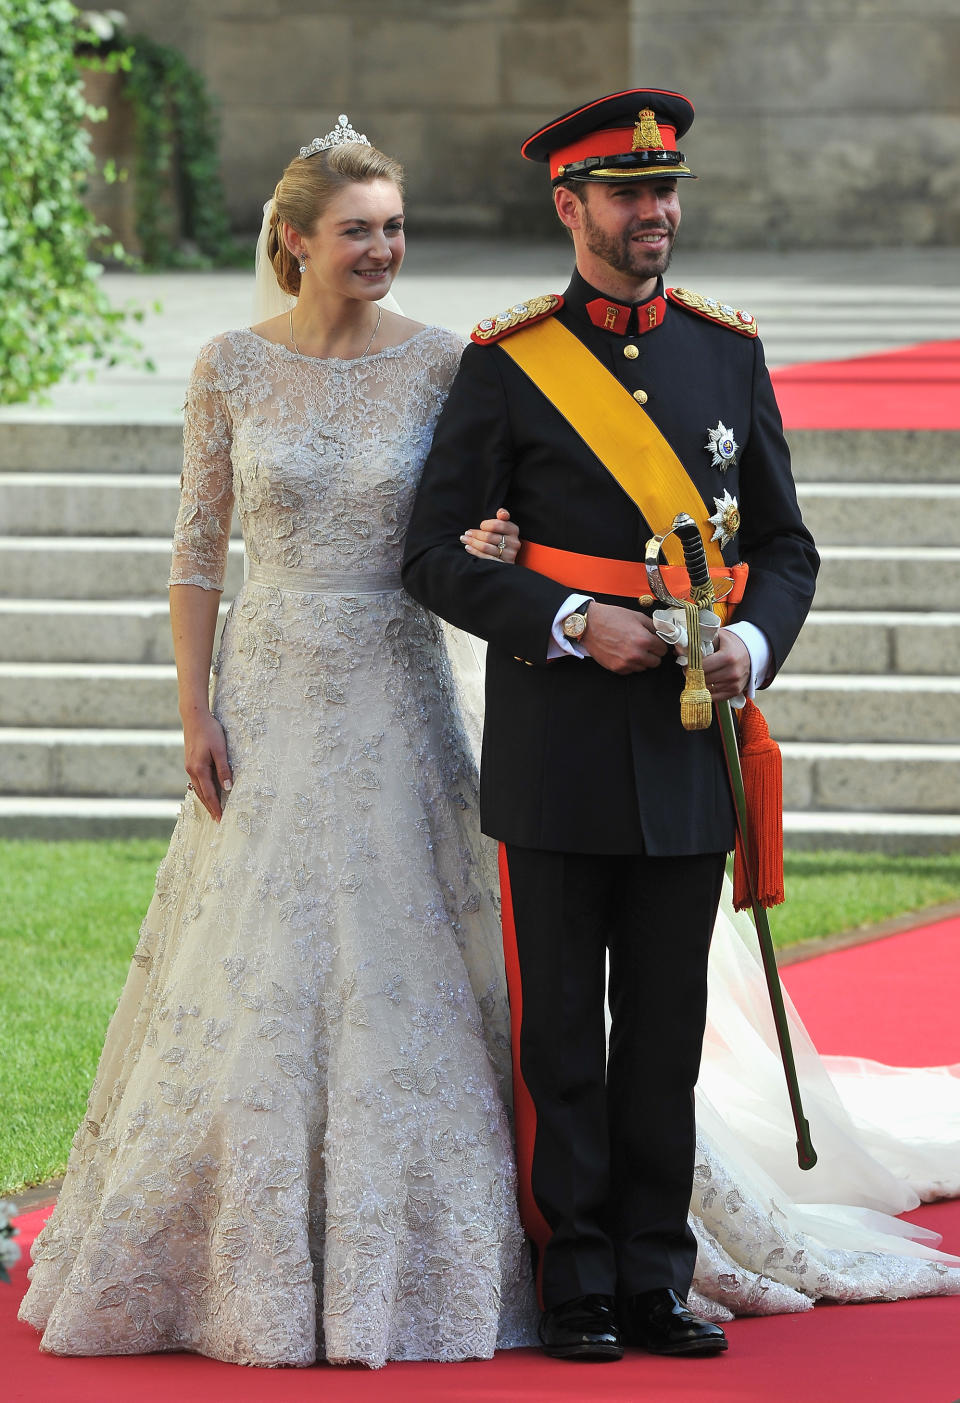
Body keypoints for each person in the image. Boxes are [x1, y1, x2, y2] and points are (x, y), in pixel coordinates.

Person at [19, 119, 538, 1368]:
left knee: (399, 942)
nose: (383, 248)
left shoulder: (448, 365)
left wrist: (488, 554)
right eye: (357, 229)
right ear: (293, 241)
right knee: (248, 960)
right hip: (266, 687)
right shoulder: (230, 367)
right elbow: (198, 549)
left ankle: (425, 1240)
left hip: (396, 682)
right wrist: (193, 707)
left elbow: (465, 523)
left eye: (393, 228)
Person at [401, 86, 823, 1361]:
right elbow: (432, 554)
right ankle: (574, 1277)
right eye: (632, 194)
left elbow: (789, 547)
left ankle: (655, 1274)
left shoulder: (726, 351)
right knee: (561, 1042)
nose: (659, 212)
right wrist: (576, 616)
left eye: (668, 190)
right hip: (561, 745)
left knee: (664, 1037)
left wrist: (751, 643)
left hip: (694, 745)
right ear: (570, 204)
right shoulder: (507, 360)